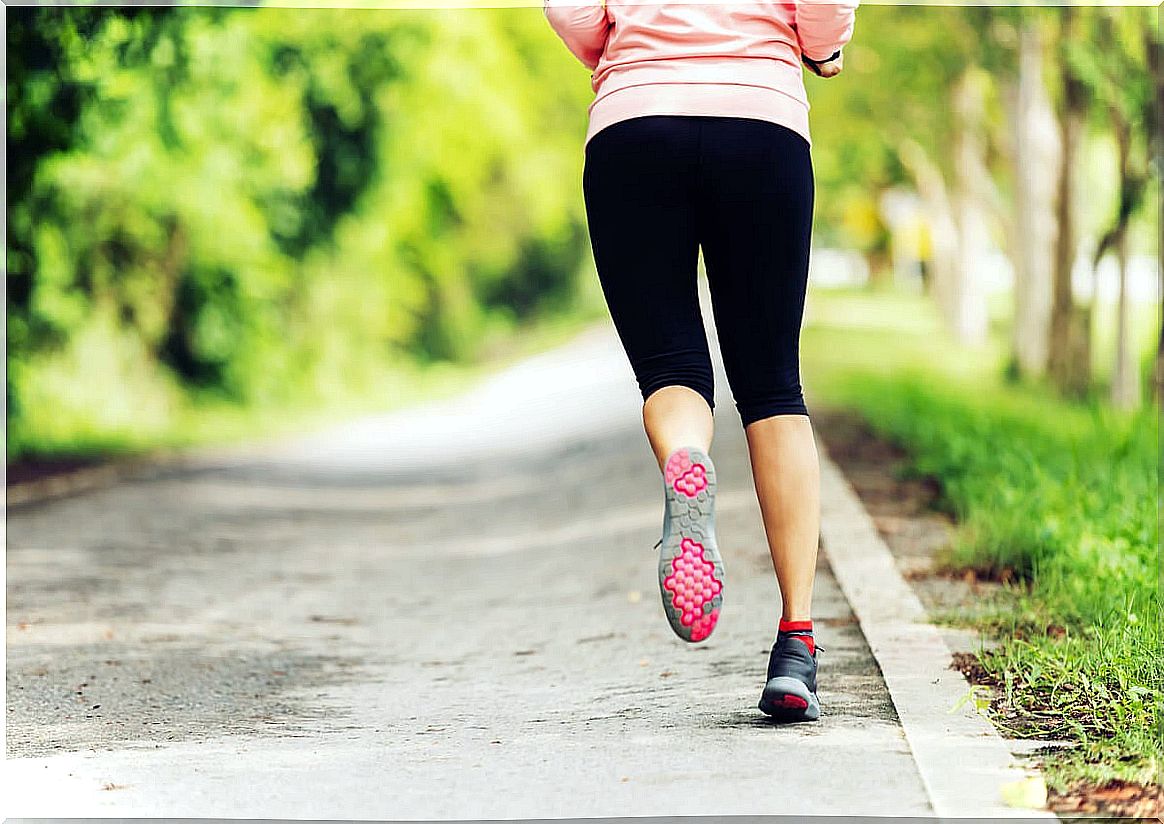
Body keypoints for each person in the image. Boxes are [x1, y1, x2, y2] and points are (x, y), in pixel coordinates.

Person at [543, 0, 858, 722]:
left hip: (635, 126)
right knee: (773, 384)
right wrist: (823, 47)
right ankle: (796, 647)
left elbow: (571, 9)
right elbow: (826, 8)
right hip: (761, 124)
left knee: (671, 366)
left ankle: (689, 457)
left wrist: (619, 44)